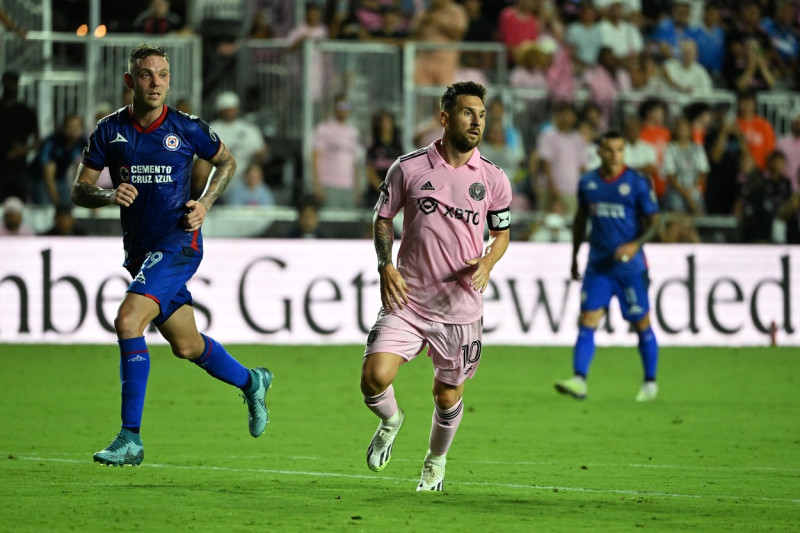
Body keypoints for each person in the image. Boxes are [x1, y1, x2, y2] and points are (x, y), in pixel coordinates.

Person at [71, 44, 273, 467]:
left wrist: (204, 203)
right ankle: (251, 381)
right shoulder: (109, 131)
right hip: (140, 254)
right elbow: (79, 189)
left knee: (128, 320)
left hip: (179, 243)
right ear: (130, 81)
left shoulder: (187, 128)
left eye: (162, 74)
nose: (156, 82)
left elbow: (227, 163)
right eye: (146, 74)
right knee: (187, 345)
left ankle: (130, 438)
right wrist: (107, 195)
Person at [360, 81, 512, 492]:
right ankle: (391, 421)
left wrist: (489, 260)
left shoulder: (494, 179)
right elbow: (383, 218)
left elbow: (502, 233)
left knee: (447, 396)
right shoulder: (408, 167)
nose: (477, 121)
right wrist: (384, 265)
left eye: (482, 114)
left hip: (460, 307)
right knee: (374, 377)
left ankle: (435, 461)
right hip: (407, 298)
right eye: (468, 113)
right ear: (445, 118)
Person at [555, 130, 661, 402]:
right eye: (609, 150)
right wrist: (575, 255)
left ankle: (650, 383)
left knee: (641, 322)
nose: (615, 155)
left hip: (630, 269)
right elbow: (580, 221)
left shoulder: (637, 183)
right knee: (588, 319)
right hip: (598, 267)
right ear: (599, 152)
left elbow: (655, 223)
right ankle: (579, 380)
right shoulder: (588, 183)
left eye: (620, 150)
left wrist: (635, 244)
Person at [205, 91, 268, 203]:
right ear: (220, 110)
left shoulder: (249, 129)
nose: (230, 111)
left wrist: (255, 163)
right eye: (227, 108)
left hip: (246, 184)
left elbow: (261, 152)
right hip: (218, 182)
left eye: (232, 108)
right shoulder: (211, 129)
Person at [311, 94, 362, 208]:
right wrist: (317, 185)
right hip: (329, 184)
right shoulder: (324, 129)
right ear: (334, 107)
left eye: (346, 106)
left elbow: (354, 163)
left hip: (348, 186)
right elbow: (315, 157)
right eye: (340, 105)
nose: (343, 109)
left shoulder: (353, 132)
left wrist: (357, 188)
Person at [0, 71, 39, 202]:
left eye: (14, 83)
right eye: (8, 83)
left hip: (19, 169)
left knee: (20, 206)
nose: (11, 87)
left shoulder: (26, 112)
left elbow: (38, 140)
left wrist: (23, 150)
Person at [34, 114, 88, 207]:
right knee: (46, 208)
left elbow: (83, 168)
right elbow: (48, 174)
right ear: (63, 128)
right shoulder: (52, 142)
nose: (74, 130)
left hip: (60, 178)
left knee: (68, 207)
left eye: (77, 127)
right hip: (40, 179)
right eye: (70, 127)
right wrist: (57, 203)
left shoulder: (81, 142)